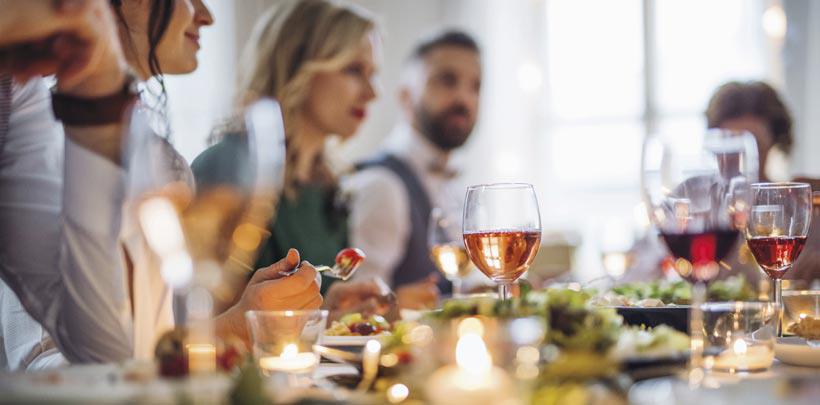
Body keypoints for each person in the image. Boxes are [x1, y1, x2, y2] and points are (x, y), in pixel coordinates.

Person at [0, 0, 320, 367]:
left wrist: (101, 88)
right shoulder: (50, 133)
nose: (207, 16)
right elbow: (44, 363)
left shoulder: (20, 98)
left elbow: (114, 352)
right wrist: (234, 327)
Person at [191, 0, 378, 296]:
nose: (372, 93)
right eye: (353, 70)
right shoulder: (226, 169)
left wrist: (334, 309)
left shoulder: (329, 184)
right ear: (297, 66)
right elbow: (199, 316)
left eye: (372, 73)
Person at [344, 30, 482, 303]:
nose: (464, 99)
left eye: (475, 86)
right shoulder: (382, 184)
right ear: (406, 96)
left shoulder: (453, 183)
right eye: (447, 80)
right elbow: (362, 311)